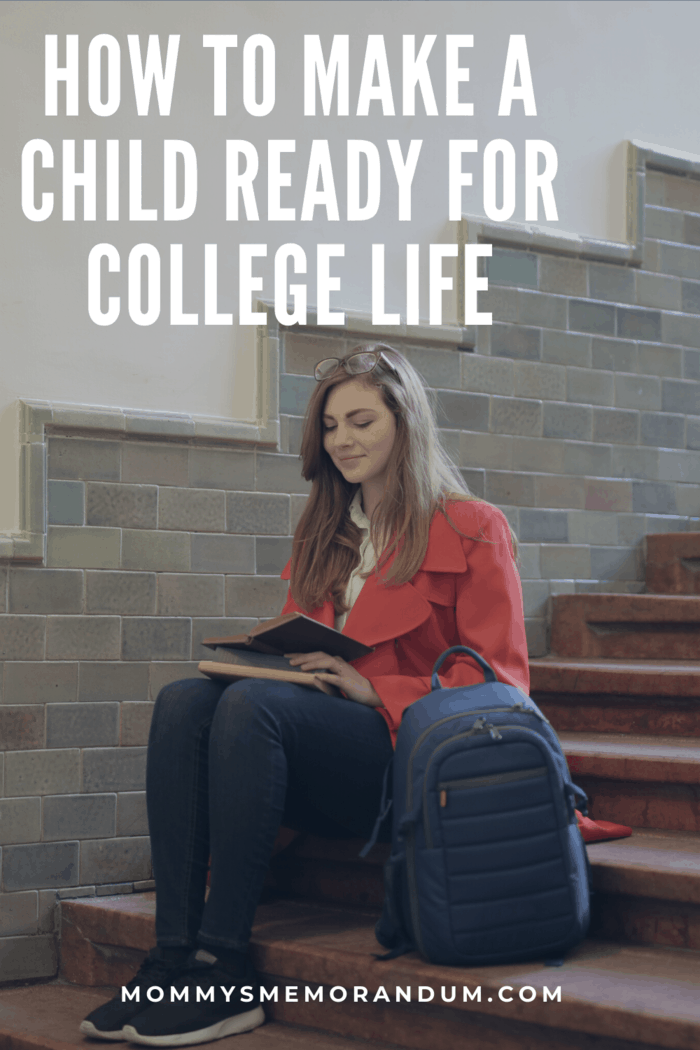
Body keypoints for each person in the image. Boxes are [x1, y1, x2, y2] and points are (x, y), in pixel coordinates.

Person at [80, 344, 530, 1047]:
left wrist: (372, 688)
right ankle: (172, 958)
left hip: (406, 761)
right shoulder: (326, 531)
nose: (341, 440)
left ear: (404, 422)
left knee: (254, 707)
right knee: (185, 701)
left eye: (361, 421)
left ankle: (223, 965)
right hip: (314, 748)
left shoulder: (474, 527)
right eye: (329, 425)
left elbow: (501, 684)